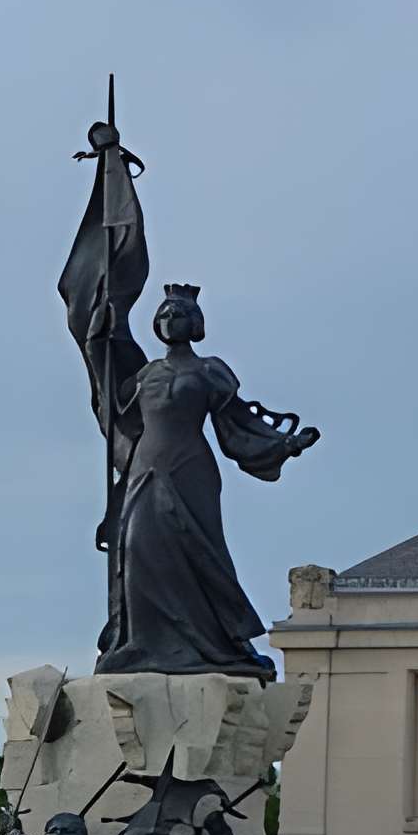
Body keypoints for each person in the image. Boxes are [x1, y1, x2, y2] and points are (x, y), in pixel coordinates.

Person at [94, 284, 320, 677]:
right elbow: (117, 417)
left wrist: (283, 444)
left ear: (194, 323)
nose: (169, 320)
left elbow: (237, 421)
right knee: (135, 550)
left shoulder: (210, 370)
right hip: (144, 470)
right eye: (163, 314)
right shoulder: (147, 373)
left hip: (190, 469)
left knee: (199, 551)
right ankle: (139, 644)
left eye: (177, 313)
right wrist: (102, 338)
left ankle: (221, 642)